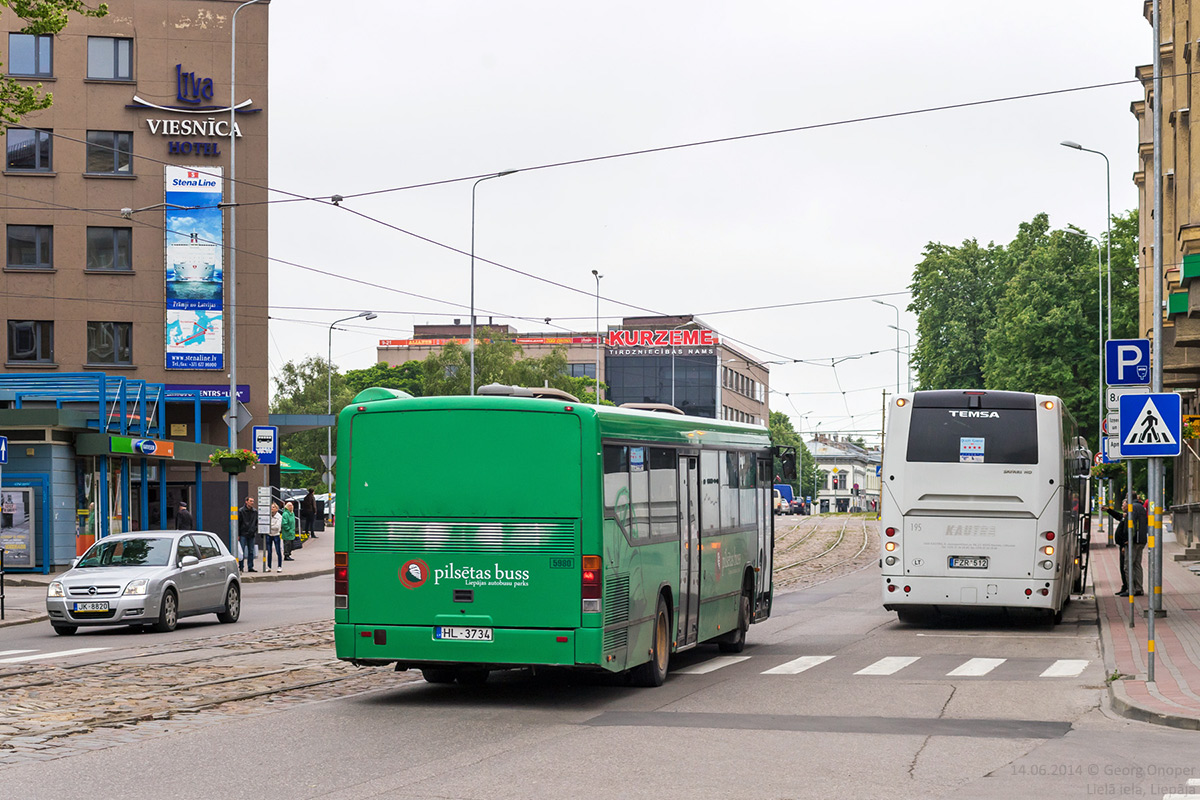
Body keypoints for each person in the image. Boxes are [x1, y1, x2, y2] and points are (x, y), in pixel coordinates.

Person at [1103, 503, 1129, 595]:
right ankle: (1125, 586)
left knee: (1125, 567)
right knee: (1122, 567)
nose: (1122, 506)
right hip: (1122, 545)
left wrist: (1125, 544)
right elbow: (1118, 516)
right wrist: (1108, 510)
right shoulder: (1125, 516)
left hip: (1125, 545)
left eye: (1123, 505)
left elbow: (1127, 531)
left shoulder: (1129, 517)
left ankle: (1128, 587)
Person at [1130, 493, 1149, 596]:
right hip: (1142, 539)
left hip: (1135, 539)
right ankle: (1139, 587)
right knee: (1137, 564)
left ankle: (1131, 589)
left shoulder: (1132, 507)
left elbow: (1132, 524)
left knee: (1129, 564)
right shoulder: (1141, 507)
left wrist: (1130, 538)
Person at [237, 496, 258, 573]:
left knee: (251, 551)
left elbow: (256, 522)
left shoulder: (255, 511)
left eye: (253, 501)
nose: (252, 503)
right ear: (246, 502)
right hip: (243, 533)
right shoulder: (241, 511)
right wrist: (238, 534)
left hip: (251, 534)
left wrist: (254, 529)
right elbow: (239, 523)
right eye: (251, 501)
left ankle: (250, 567)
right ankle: (241, 566)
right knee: (241, 551)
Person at [265, 501, 283, 572]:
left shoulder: (279, 517)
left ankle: (279, 566)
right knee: (269, 552)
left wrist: (270, 526)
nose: (271, 508)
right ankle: (269, 566)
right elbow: (265, 525)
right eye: (271, 507)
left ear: (276, 509)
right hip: (269, 535)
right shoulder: (268, 515)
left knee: (278, 551)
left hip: (276, 535)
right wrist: (271, 526)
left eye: (273, 507)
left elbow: (278, 527)